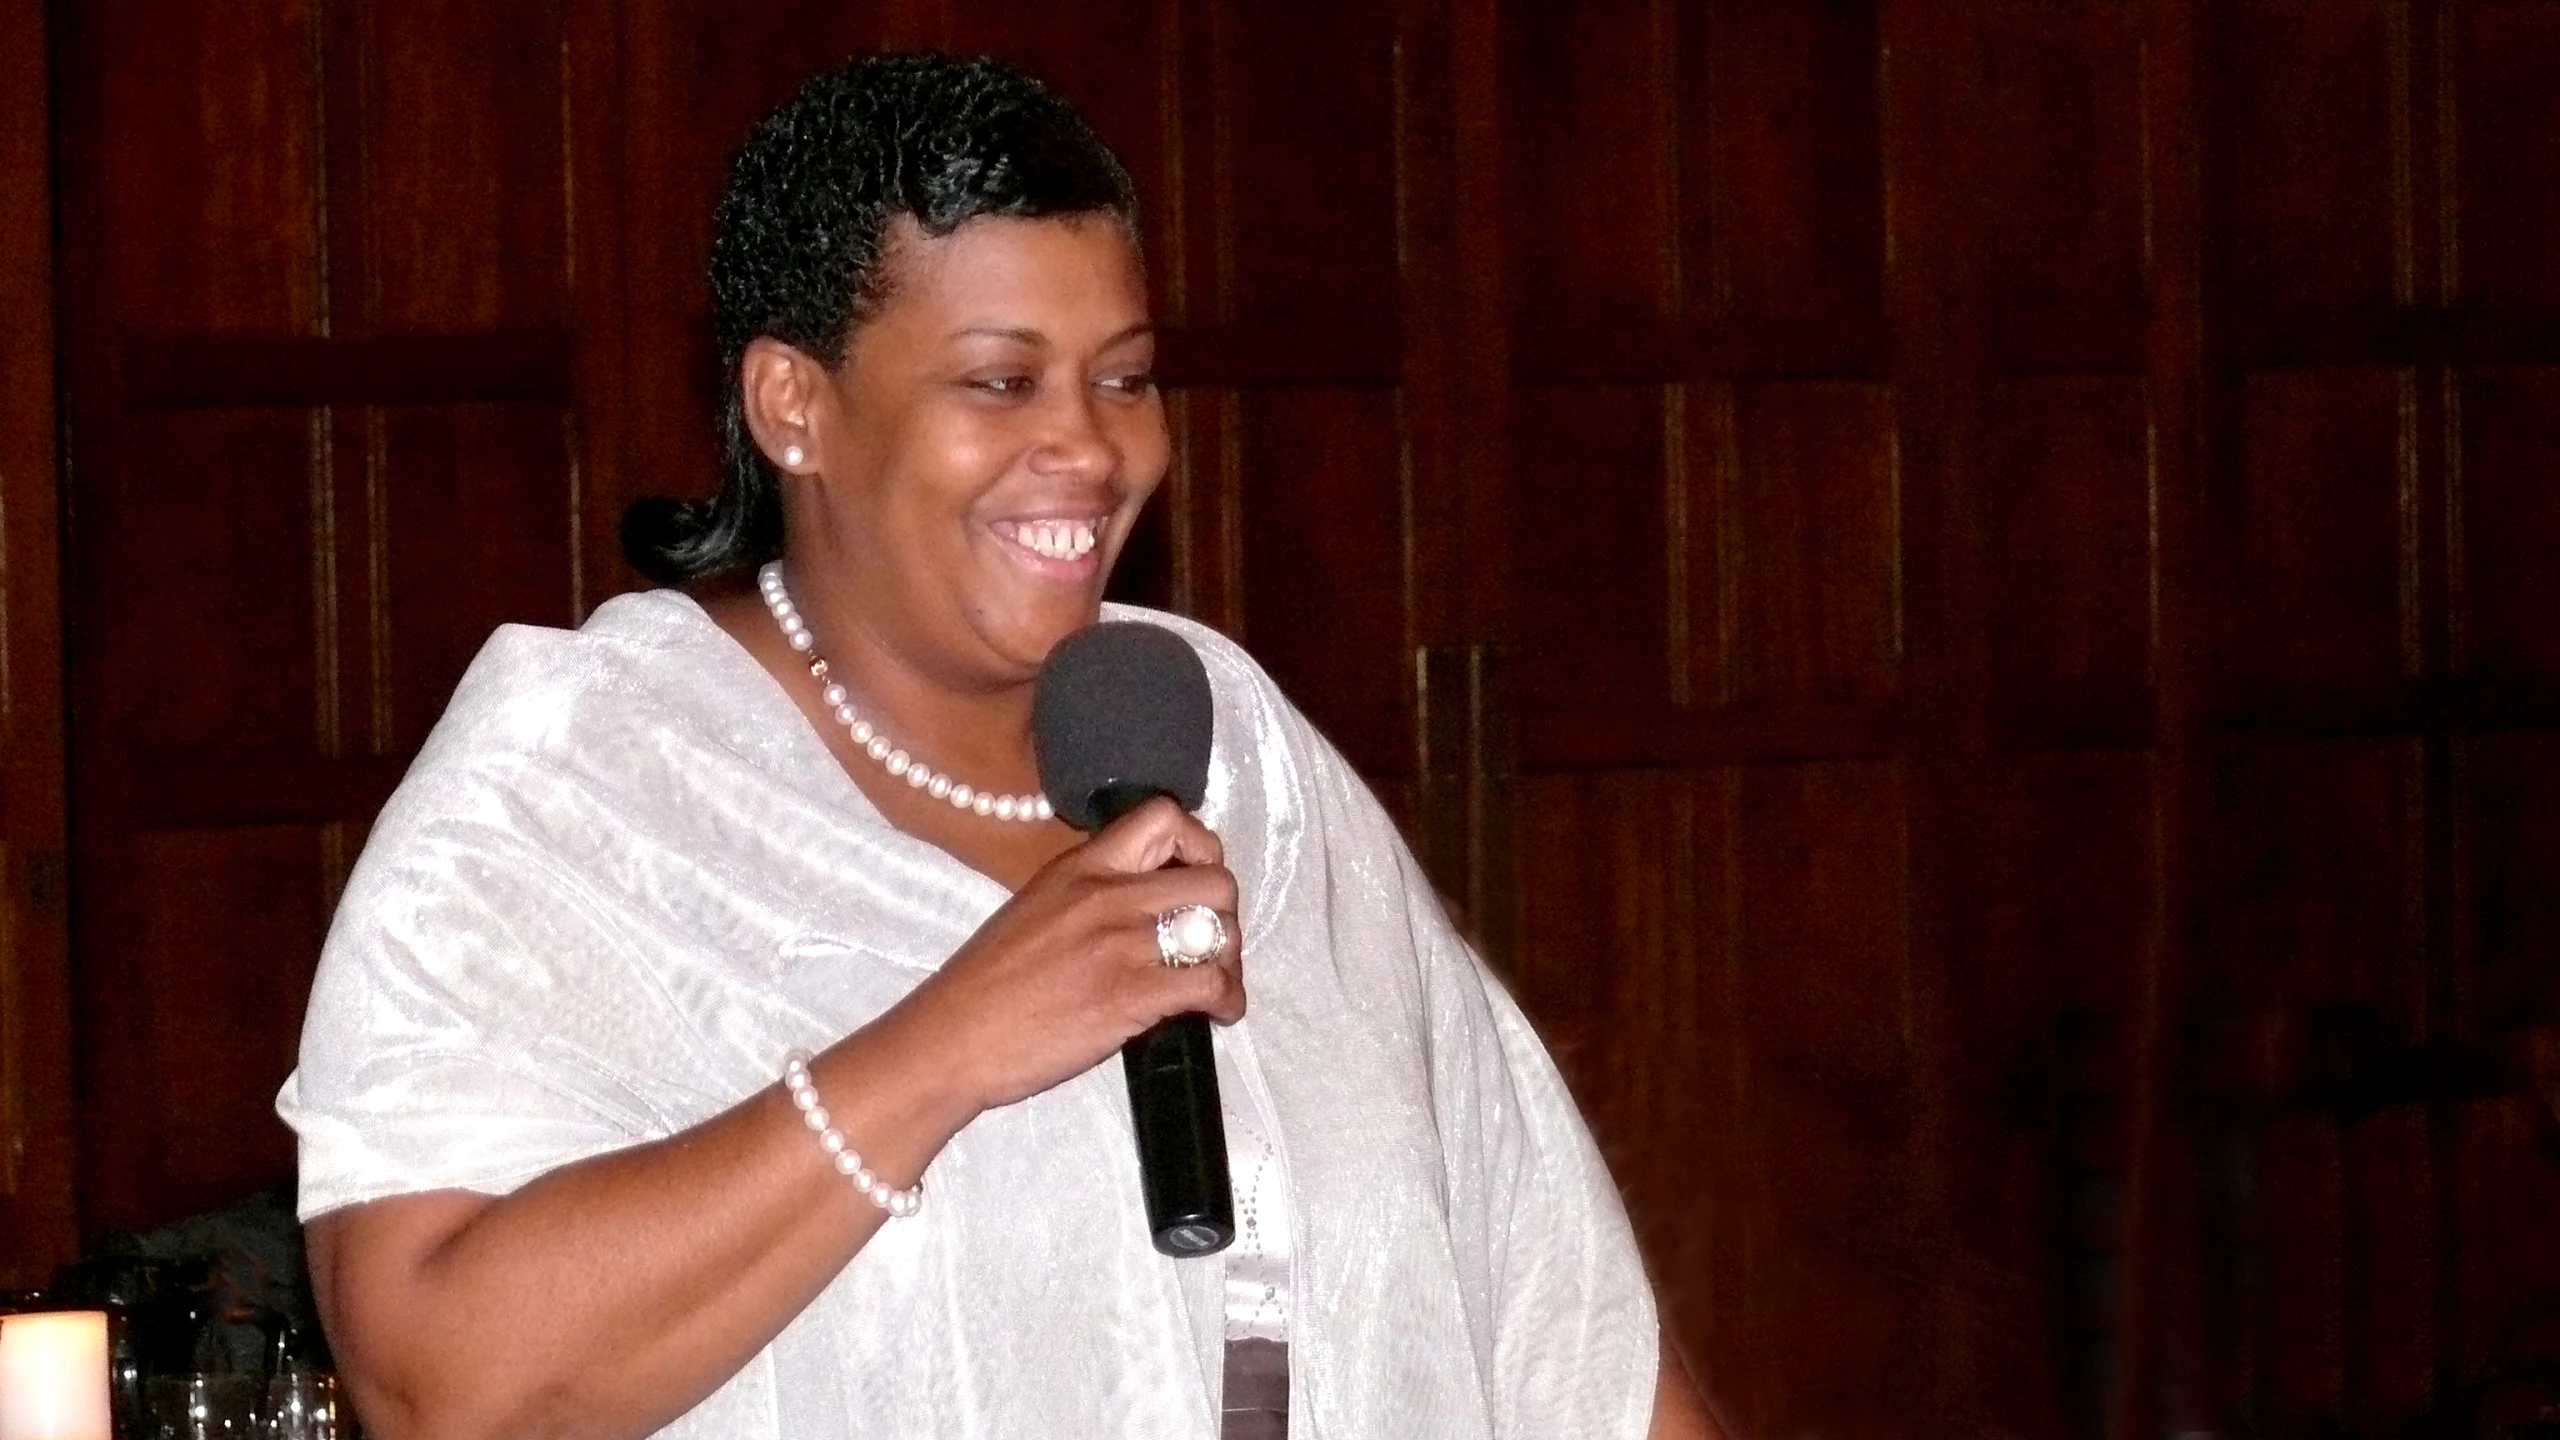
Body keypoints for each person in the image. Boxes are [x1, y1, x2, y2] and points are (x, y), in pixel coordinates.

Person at [277, 51, 1724, 1440]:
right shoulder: (587, 776)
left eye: (1126, 377)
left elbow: (1557, 1327)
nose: (1091, 450)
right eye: (1000, 382)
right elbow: (433, 1384)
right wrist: (947, 1048)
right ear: (794, 404)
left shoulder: (1229, 746)